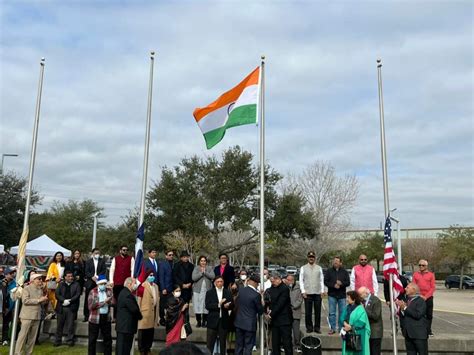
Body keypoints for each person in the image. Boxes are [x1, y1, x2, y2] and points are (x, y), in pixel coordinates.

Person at [14, 273, 49, 355]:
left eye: (41, 279)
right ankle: (18, 353)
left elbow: (40, 302)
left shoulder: (41, 289)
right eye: (39, 279)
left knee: (32, 338)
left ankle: (29, 353)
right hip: (27, 316)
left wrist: (44, 300)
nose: (41, 281)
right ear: (33, 280)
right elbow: (25, 301)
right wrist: (39, 300)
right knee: (22, 336)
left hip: (37, 316)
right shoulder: (27, 288)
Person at [234, 273, 264, 355]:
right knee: (248, 347)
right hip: (249, 325)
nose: (257, 286)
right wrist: (262, 300)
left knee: (238, 346)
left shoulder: (241, 290)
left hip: (239, 322)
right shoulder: (256, 295)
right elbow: (260, 311)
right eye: (257, 284)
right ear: (254, 283)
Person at [395, 283, 428, 355]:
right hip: (408, 334)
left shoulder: (420, 301)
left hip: (418, 335)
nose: (405, 289)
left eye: (407, 287)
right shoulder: (406, 300)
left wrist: (405, 308)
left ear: (413, 290)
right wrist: (402, 309)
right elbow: (404, 315)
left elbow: (418, 315)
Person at [266, 272, 293, 355]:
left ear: (278, 279)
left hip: (284, 320)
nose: (272, 283)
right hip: (275, 321)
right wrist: (267, 308)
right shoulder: (272, 287)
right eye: (271, 282)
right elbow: (269, 298)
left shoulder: (284, 289)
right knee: (275, 344)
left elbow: (280, 304)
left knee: (286, 343)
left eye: (273, 281)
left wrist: (271, 313)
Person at [205, 275, 233, 355]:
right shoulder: (209, 292)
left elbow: (232, 304)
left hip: (223, 321)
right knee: (210, 343)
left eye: (221, 281)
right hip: (212, 321)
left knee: (223, 343)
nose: (220, 283)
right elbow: (207, 305)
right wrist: (218, 304)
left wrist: (227, 306)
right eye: (218, 282)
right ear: (214, 283)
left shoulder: (227, 292)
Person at [115, 277, 143, 355]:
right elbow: (134, 309)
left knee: (122, 349)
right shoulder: (127, 294)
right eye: (134, 283)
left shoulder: (124, 292)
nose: (135, 285)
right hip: (126, 328)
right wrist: (140, 316)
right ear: (129, 284)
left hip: (124, 327)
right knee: (124, 350)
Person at [299, 251, 325, 334]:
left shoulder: (319, 268)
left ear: (315, 258)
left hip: (317, 293)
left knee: (318, 312)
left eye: (313, 257)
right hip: (308, 293)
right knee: (308, 312)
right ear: (307, 258)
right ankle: (309, 327)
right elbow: (301, 280)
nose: (311, 258)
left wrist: (322, 291)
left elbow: (321, 280)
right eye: (310, 257)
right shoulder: (303, 268)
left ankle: (317, 327)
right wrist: (303, 291)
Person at [87, 274, 114, 355]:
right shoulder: (93, 291)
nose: (103, 286)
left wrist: (110, 302)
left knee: (108, 339)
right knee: (92, 340)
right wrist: (103, 302)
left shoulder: (109, 291)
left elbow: (114, 302)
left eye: (104, 284)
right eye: (101, 284)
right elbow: (91, 306)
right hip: (94, 319)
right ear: (98, 284)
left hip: (106, 318)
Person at [54, 270, 81, 347]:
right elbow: (57, 294)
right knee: (59, 325)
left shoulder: (76, 284)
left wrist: (70, 301)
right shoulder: (61, 284)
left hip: (71, 308)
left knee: (70, 326)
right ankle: (57, 341)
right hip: (61, 307)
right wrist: (63, 300)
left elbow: (77, 294)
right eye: (68, 276)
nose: (71, 278)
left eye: (72, 276)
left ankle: (70, 340)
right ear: (65, 277)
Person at [325, 256, 350, 335]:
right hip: (332, 295)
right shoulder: (329, 271)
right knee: (332, 313)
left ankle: (341, 328)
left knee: (342, 313)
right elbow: (325, 281)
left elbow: (348, 282)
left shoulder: (344, 272)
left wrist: (341, 284)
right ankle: (332, 328)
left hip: (342, 295)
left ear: (340, 263)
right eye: (334, 261)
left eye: (337, 261)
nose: (335, 262)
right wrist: (333, 285)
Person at [340, 290, 370, 355]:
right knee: (349, 352)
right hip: (348, 333)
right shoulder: (347, 307)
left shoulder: (360, 309)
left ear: (354, 299)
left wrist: (351, 327)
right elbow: (342, 317)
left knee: (358, 353)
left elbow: (362, 322)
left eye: (348, 297)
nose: (347, 299)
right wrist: (345, 324)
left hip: (359, 335)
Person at [138, 271, 160, 355]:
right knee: (143, 332)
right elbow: (139, 300)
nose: (152, 276)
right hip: (144, 313)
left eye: (153, 275)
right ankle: (142, 349)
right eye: (150, 275)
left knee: (150, 332)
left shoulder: (156, 286)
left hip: (153, 312)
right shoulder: (142, 286)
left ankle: (148, 348)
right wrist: (139, 312)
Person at [109, 245, 134, 319]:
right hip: (117, 283)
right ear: (120, 251)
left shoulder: (131, 259)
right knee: (116, 299)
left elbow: (132, 270)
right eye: (123, 250)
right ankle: (115, 317)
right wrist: (111, 280)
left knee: (126, 299)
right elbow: (112, 270)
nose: (125, 251)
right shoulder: (115, 259)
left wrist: (131, 280)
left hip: (126, 284)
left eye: (126, 250)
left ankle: (125, 315)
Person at [412, 259, 435, 337]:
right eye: (420, 265)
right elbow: (413, 286)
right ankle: (420, 329)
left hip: (428, 298)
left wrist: (426, 296)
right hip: (419, 297)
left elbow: (432, 288)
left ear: (426, 266)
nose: (421, 266)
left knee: (429, 315)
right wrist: (419, 295)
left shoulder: (431, 275)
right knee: (419, 314)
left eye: (423, 265)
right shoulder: (415, 275)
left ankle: (428, 330)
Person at [84, 248, 107, 321]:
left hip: (99, 281)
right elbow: (86, 271)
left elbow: (104, 270)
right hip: (90, 281)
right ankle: (86, 315)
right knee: (88, 298)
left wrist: (97, 277)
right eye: (96, 253)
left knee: (99, 297)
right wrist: (91, 277)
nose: (97, 254)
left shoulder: (102, 261)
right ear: (92, 253)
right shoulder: (88, 262)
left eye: (98, 253)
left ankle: (98, 313)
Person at [358, 287, 383, 355]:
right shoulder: (362, 301)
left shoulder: (376, 300)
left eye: (360, 294)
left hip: (375, 333)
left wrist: (364, 309)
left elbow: (376, 316)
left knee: (375, 352)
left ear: (365, 293)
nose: (359, 296)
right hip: (366, 332)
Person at [192, 255, 215, 328]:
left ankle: (204, 322)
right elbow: (193, 278)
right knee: (197, 306)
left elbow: (213, 276)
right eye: (201, 261)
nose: (203, 262)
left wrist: (205, 272)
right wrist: (201, 273)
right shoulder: (196, 268)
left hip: (207, 290)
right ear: (199, 261)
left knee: (205, 307)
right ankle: (198, 321)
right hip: (197, 291)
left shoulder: (209, 268)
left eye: (204, 261)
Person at [286, 274, 303, 353]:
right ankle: (287, 345)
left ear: (294, 280)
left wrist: (293, 305)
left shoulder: (299, 288)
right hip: (286, 313)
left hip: (296, 313)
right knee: (287, 331)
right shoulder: (285, 288)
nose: (289, 281)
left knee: (296, 331)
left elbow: (300, 300)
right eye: (288, 280)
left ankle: (297, 345)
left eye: (290, 280)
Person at [158, 249, 174, 326]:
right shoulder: (162, 264)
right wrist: (163, 288)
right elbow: (161, 277)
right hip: (164, 288)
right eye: (169, 255)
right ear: (166, 256)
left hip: (172, 289)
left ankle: (169, 318)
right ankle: (162, 318)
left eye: (172, 255)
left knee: (170, 305)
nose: (171, 256)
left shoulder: (174, 264)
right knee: (162, 305)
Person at [1, 267, 16, 346]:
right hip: (2, 307)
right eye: (11, 273)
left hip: (11, 307)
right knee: (3, 323)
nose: (13, 274)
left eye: (13, 273)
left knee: (7, 323)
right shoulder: (1, 282)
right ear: (6, 274)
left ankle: (5, 339)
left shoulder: (15, 283)